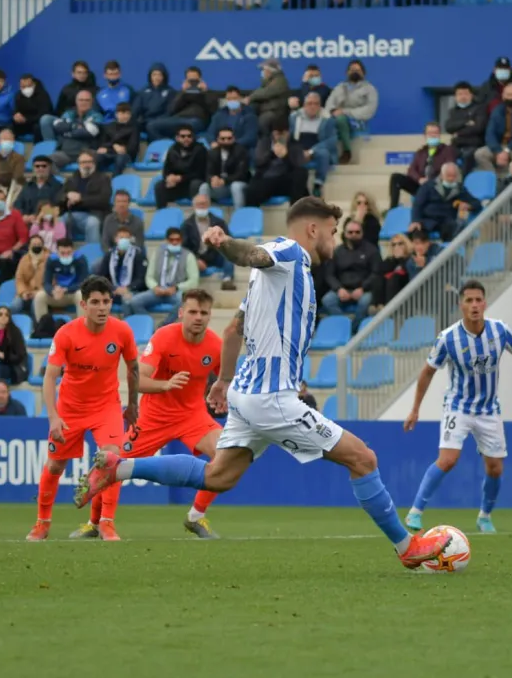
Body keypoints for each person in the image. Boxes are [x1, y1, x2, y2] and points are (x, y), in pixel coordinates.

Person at [74, 197, 450, 569]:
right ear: (313, 229)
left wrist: (222, 381)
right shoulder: (288, 252)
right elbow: (252, 255)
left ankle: (118, 468)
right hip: (271, 397)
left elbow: (234, 328)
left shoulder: (270, 280)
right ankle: (407, 547)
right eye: (332, 232)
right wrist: (224, 244)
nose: (333, 241)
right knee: (363, 458)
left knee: (217, 476)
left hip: (247, 394)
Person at [75, 289, 225, 540]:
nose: (198, 317)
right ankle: (100, 523)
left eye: (203, 312)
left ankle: (196, 517)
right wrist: (165, 385)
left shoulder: (215, 345)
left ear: (209, 316)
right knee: (115, 462)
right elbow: (138, 380)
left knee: (226, 456)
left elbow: (227, 380)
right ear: (181, 313)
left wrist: (223, 392)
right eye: (192, 312)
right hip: (154, 417)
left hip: (193, 416)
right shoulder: (164, 338)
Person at [402, 280, 512, 534]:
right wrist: (415, 409)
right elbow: (427, 373)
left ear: (485, 303)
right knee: (448, 459)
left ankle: (484, 516)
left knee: (495, 467)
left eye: (478, 300)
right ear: (460, 305)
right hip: (458, 407)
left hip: (489, 409)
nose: (474, 305)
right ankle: (415, 511)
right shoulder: (448, 338)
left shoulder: (500, 331)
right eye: (469, 301)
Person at [26, 275, 139, 541]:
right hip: (70, 408)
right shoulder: (66, 333)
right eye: (96, 302)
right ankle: (42, 523)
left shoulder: (122, 331)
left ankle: (106, 524)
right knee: (55, 467)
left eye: (107, 302)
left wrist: (133, 404)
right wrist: (53, 417)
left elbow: (134, 369)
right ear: (83, 305)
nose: (102, 308)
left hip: (106, 406)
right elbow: (50, 376)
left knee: (113, 459)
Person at [0, 306, 28, 388]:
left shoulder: (15, 332)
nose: (3, 317)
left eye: (6, 315)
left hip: (12, 367)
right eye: (0, 314)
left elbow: (20, 356)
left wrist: (1, 355)